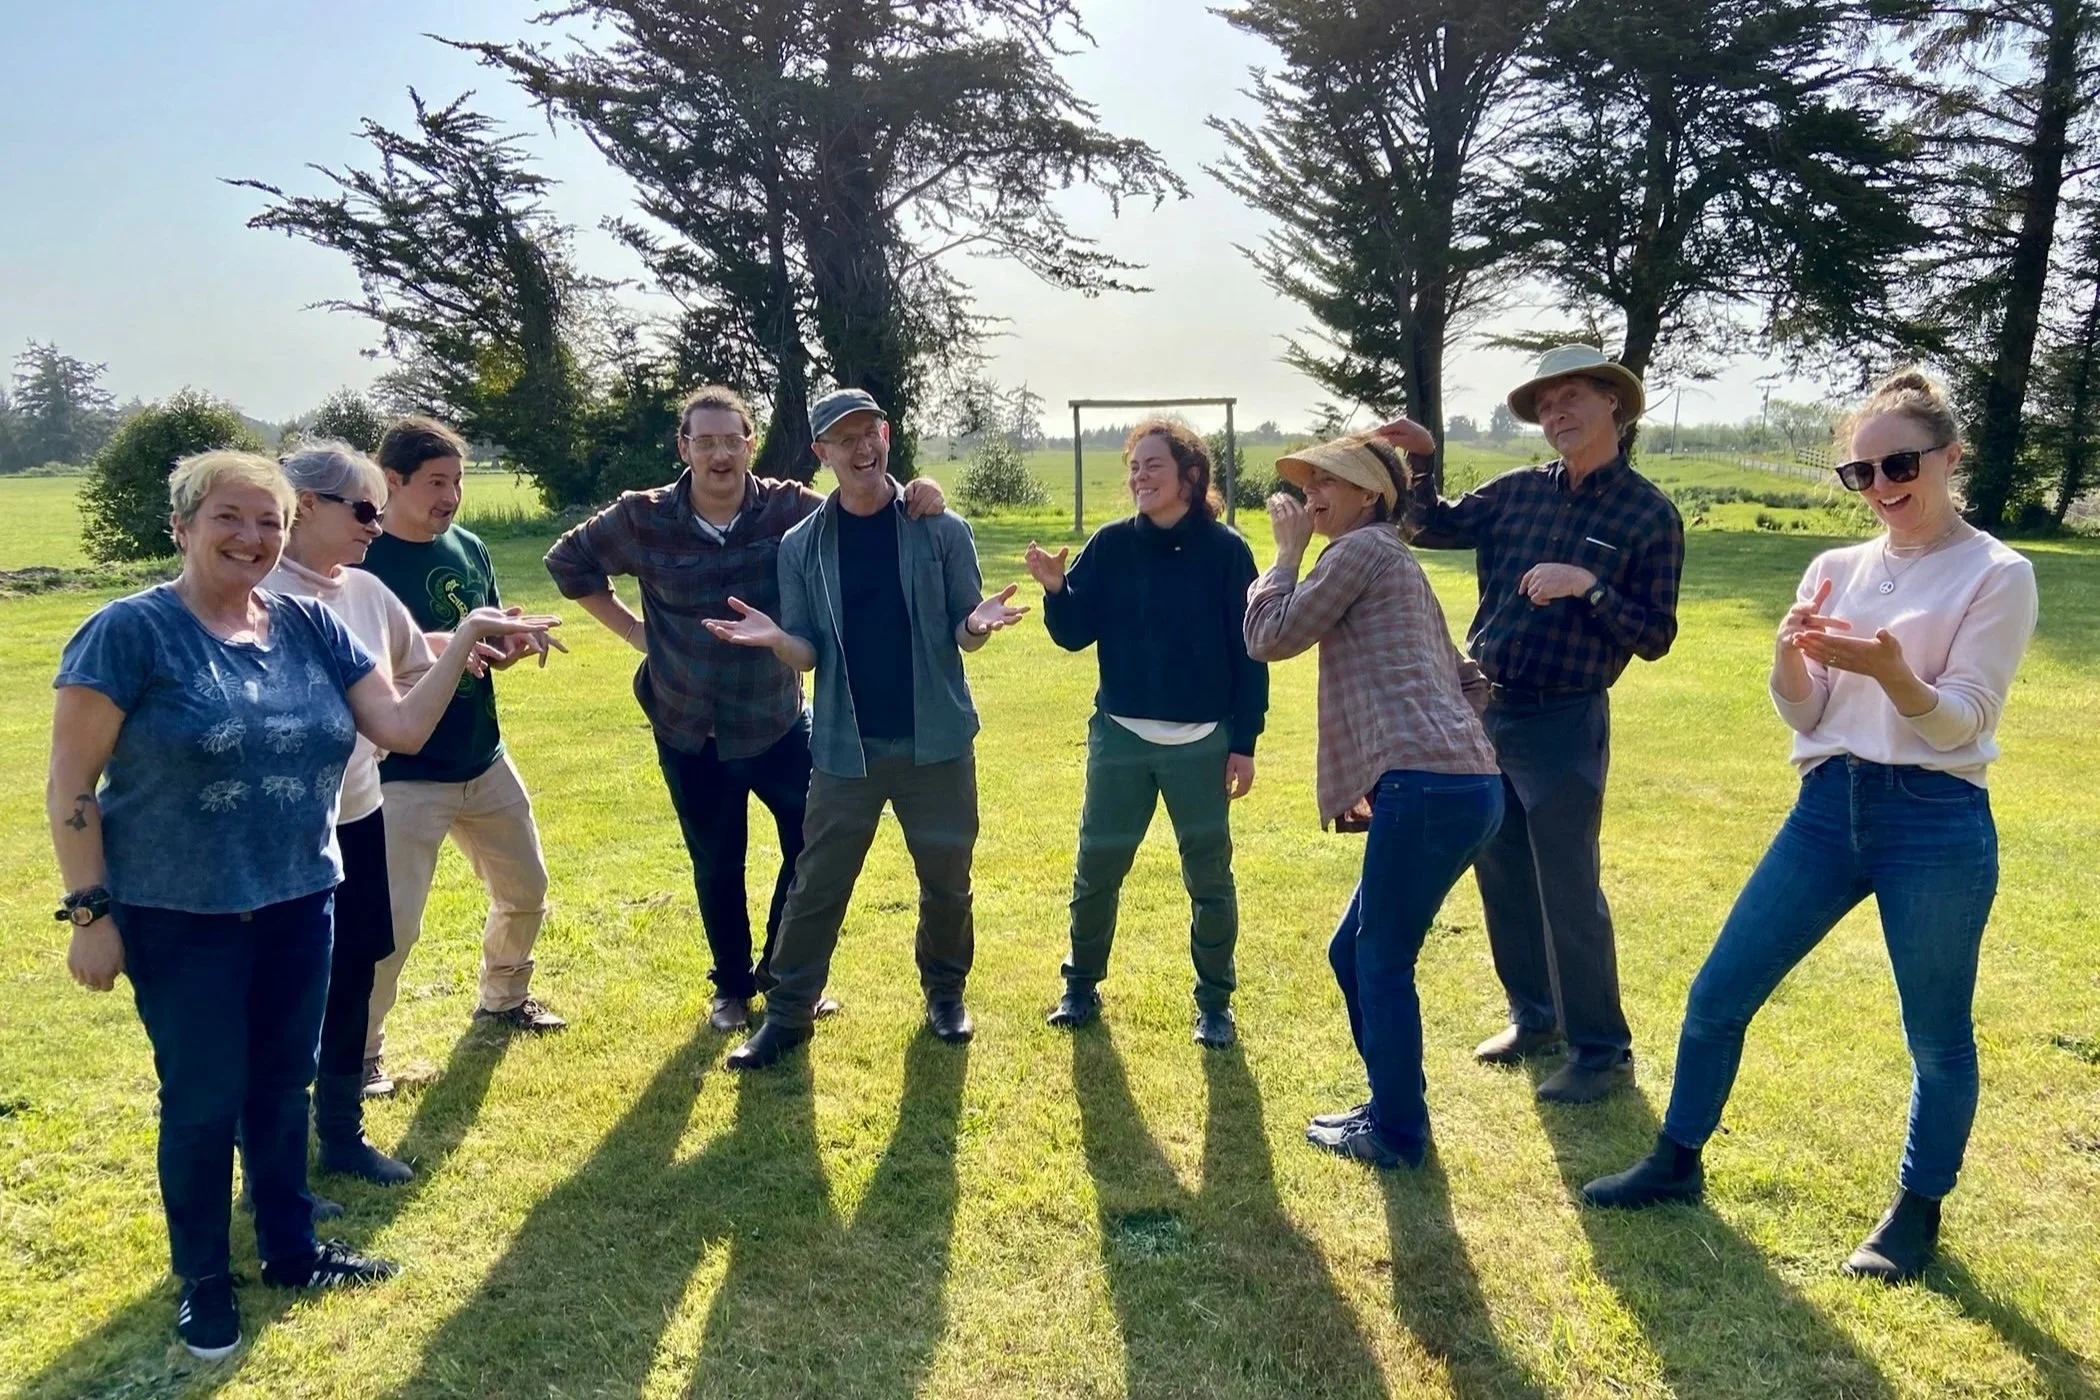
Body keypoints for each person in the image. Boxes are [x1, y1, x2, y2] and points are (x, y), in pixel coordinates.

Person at [49, 450, 557, 1358]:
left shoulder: (308, 625)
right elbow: (71, 787)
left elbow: (397, 726)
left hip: (301, 897)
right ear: (184, 527)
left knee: (283, 1084)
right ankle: (205, 1279)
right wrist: (90, 912)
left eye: (269, 522)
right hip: (180, 912)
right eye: (228, 519)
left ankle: (290, 1248)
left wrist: (472, 634)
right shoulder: (129, 633)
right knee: (204, 1100)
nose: (251, 538)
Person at [1581, 370, 2038, 1284]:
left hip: (1936, 821)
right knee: (1718, 992)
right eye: (1857, 474)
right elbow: (1804, 714)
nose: (1880, 487)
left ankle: (1916, 1214)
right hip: (1828, 808)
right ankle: (1676, 1161)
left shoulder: (1999, 573)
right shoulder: (1835, 568)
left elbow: (1964, 721)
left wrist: (1892, 672)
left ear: (1950, 458)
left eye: (1899, 464)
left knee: (1937, 1035)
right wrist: (1790, 658)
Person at [544, 385, 947, 1032]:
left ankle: (785, 975)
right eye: (704, 441)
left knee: (810, 851)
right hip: (687, 724)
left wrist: (920, 489)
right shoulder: (642, 517)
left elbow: (864, 502)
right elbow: (569, 564)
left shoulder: (787, 508)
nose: (719, 454)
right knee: (718, 860)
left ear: (750, 443)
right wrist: (636, 635)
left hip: (776, 719)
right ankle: (731, 988)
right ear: (684, 448)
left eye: (731, 439)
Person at [1376, 344, 1684, 1104]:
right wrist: (1419, 461)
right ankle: (1535, 1017)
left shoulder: (1649, 515)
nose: (1557, 414)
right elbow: (1429, 526)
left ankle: (1602, 1051)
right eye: (1546, 405)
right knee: (1502, 872)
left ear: (1614, 402)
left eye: (1572, 396)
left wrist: (1589, 587)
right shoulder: (1517, 492)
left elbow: (1655, 634)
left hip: (1566, 721)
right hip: (1489, 712)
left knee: (1569, 888)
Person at [703, 388, 1027, 1069]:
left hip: (935, 745)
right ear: (821, 453)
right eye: (842, 439)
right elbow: (810, 650)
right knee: (818, 882)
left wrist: (975, 624)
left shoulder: (941, 529)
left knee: (947, 882)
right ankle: (788, 1014)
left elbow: (966, 631)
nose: (860, 448)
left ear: (887, 434)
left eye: (869, 432)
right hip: (846, 748)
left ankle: (945, 995)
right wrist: (776, 640)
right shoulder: (802, 545)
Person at [1241, 435, 1502, 1168]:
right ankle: (1394, 1105)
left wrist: (1285, 558)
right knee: (1353, 953)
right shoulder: (1398, 564)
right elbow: (1471, 681)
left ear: (1372, 497)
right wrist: (1452, 743)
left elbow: (1271, 636)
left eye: (1333, 481)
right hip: (1462, 787)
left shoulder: (1358, 553)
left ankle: (1396, 1133)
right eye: (1310, 480)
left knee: (1379, 959)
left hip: (1427, 788)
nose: (1314, 492)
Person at [1025, 418, 1268, 1048]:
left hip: (1203, 744)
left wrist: (1244, 742)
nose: (1139, 477)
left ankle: (1215, 1003)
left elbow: (1250, 655)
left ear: (1190, 476)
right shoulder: (1110, 546)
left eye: (1151, 466)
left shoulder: (1227, 551)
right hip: (1121, 740)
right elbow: (1075, 632)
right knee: (1097, 865)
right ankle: (1079, 986)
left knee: (1208, 877)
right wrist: (1056, 588)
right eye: (1134, 467)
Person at [357, 415, 568, 1094]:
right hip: (400, 775)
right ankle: (358, 1057)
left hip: (482, 757)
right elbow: (359, 664)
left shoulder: (469, 546)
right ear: (391, 481)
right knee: (390, 928)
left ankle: (504, 999)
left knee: (526, 891)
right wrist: (449, 647)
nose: (451, 496)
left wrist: (511, 644)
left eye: (458, 481)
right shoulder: (361, 559)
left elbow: (485, 639)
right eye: (436, 482)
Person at [265, 441, 433, 1187]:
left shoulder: (363, 591)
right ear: (305, 506)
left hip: (358, 814)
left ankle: (340, 1135)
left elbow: (406, 673)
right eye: (364, 509)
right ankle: (267, 1160)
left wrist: (475, 643)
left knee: (355, 969)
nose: (378, 523)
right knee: (279, 991)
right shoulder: (255, 590)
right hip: (276, 831)